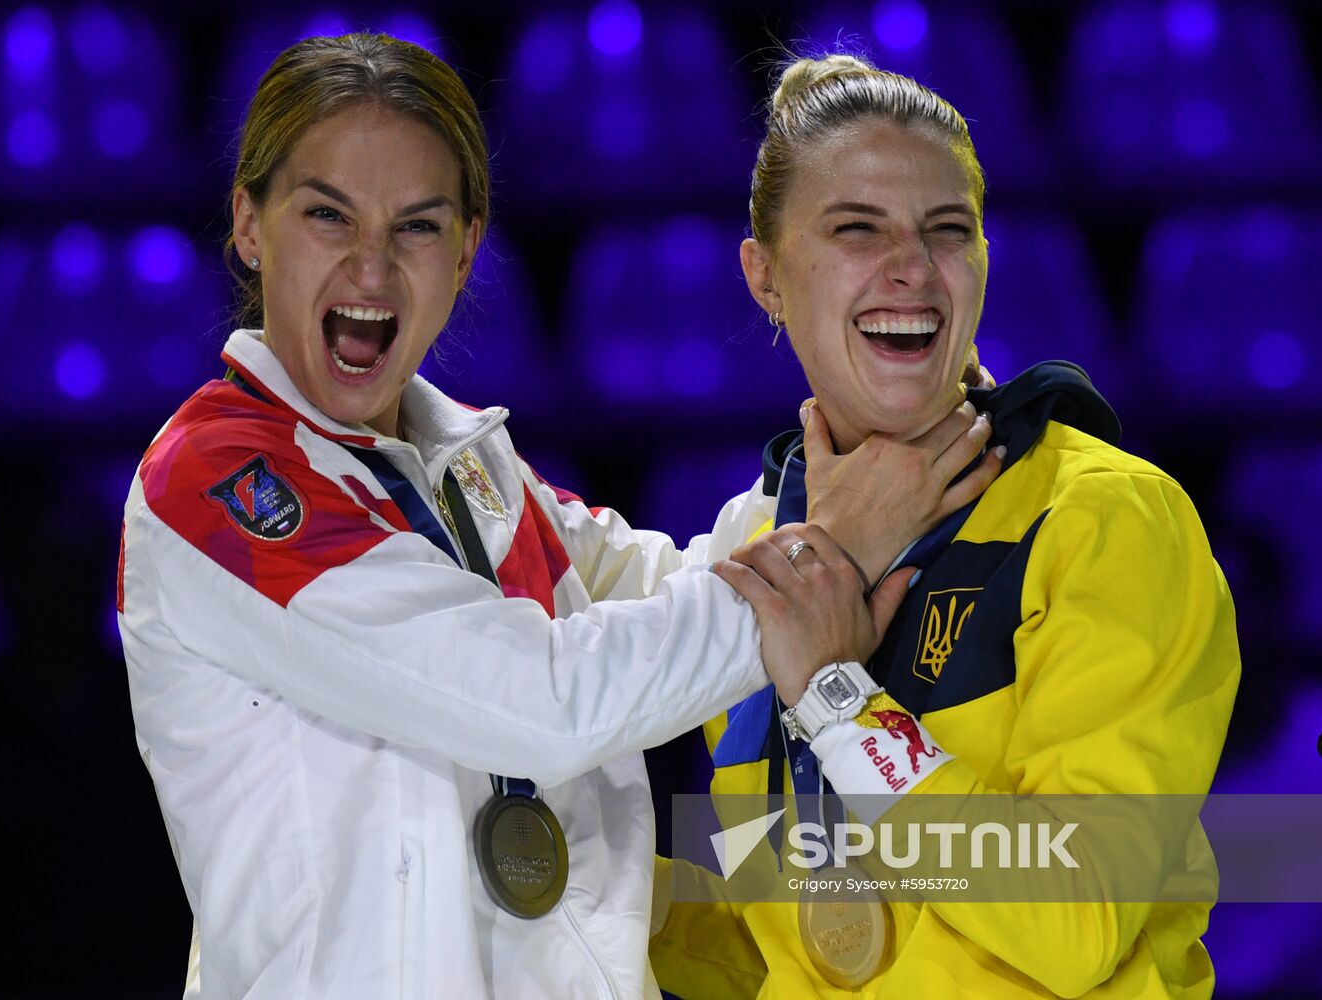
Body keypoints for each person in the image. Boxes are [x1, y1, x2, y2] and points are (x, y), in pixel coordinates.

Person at [116, 35, 1000, 999]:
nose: (371, 271)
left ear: (465, 251)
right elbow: (539, 704)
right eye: (329, 215)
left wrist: (860, 456)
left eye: (416, 226)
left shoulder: (474, 470)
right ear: (250, 225)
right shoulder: (216, 482)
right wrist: (839, 545)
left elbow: (680, 584)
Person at [648, 54, 1241, 998]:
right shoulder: (759, 547)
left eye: (947, 230)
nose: (914, 270)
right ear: (763, 273)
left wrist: (839, 702)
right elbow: (786, 942)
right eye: (856, 228)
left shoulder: (1101, 518)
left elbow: (1074, 916)